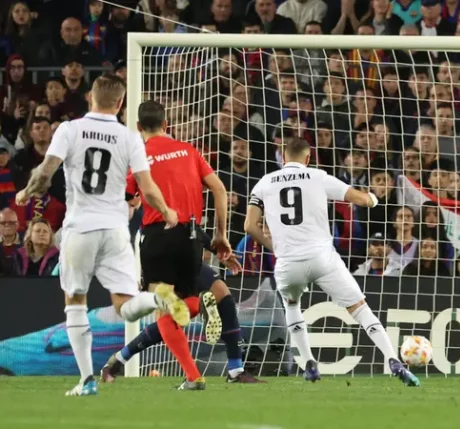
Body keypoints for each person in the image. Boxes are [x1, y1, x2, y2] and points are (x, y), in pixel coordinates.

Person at [14, 75, 183, 397]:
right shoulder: (129, 137)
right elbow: (147, 187)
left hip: (80, 228)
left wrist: (25, 192)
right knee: (125, 305)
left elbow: (46, 172)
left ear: (90, 97)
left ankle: (86, 380)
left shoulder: (70, 129)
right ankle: (157, 299)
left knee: (75, 302)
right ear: (120, 103)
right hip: (116, 230)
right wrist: (167, 211)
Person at [243, 137, 419, 387]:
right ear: (308, 158)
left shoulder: (264, 183)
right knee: (360, 309)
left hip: (288, 262)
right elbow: (361, 200)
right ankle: (393, 360)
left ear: (284, 157)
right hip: (322, 258)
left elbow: (249, 225)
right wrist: (373, 198)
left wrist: (276, 248)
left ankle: (309, 364)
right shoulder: (318, 176)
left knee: (292, 306)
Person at [125, 101, 233, 391]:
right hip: (191, 237)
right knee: (190, 302)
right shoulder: (189, 150)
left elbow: (128, 196)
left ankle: (194, 376)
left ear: (138, 127)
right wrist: (220, 234)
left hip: (158, 234)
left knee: (162, 309)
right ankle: (197, 304)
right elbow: (219, 189)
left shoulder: (139, 156)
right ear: (166, 124)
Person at [100, 230, 265, 384]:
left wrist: (216, 249)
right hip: (162, 252)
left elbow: (192, 223)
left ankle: (236, 370)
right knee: (169, 316)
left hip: (187, 254)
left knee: (223, 296)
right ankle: (121, 359)